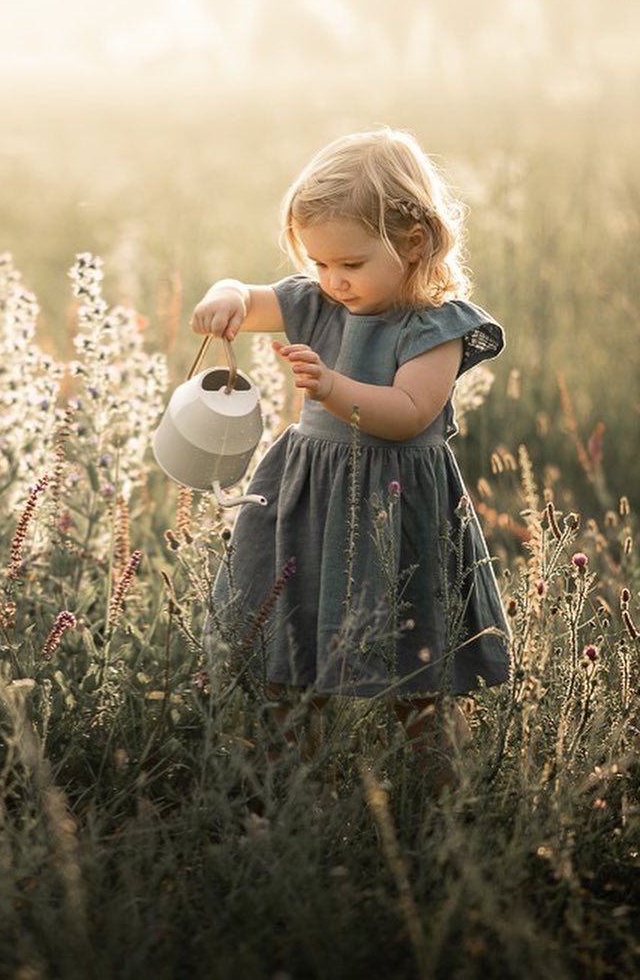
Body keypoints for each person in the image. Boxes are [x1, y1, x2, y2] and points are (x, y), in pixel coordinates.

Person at [190, 128, 510, 792]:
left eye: (352, 265)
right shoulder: (317, 299)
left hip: (398, 508)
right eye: (319, 263)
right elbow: (254, 300)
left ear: (414, 243)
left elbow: (409, 412)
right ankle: (291, 783)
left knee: (416, 659)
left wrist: (332, 388)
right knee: (290, 637)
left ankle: (436, 794)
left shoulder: (435, 327)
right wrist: (226, 295)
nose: (334, 281)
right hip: (309, 498)